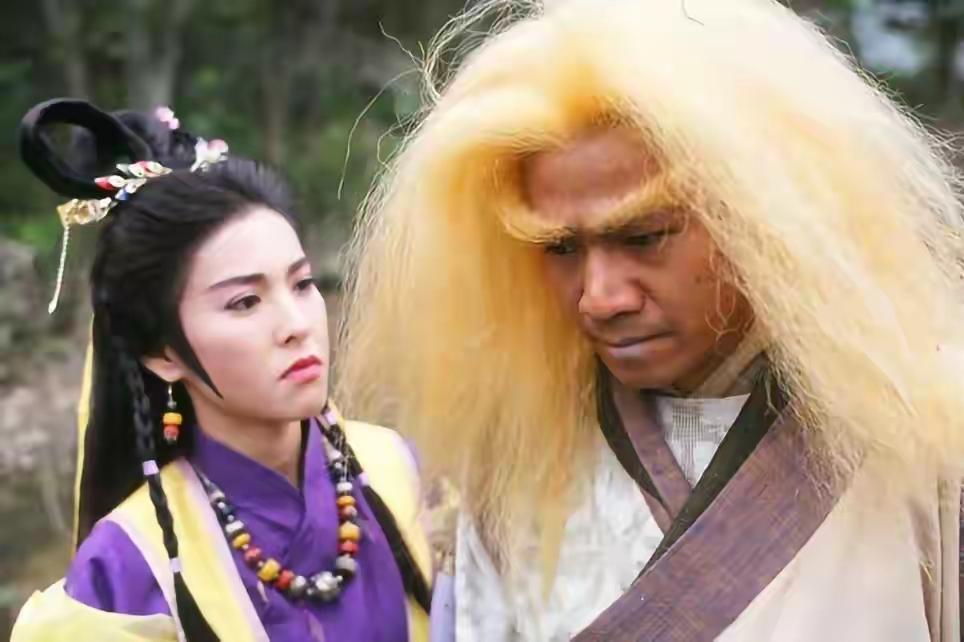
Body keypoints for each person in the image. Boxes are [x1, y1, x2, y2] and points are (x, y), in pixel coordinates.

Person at [336, 0, 964, 639]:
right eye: (561, 248)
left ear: (762, 221)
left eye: (645, 237)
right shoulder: (514, 465)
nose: (600, 298)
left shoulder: (921, 433)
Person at [11, 99, 431, 642]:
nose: (296, 325)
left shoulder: (400, 473)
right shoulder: (128, 570)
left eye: (302, 284)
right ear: (162, 353)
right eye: (244, 302)